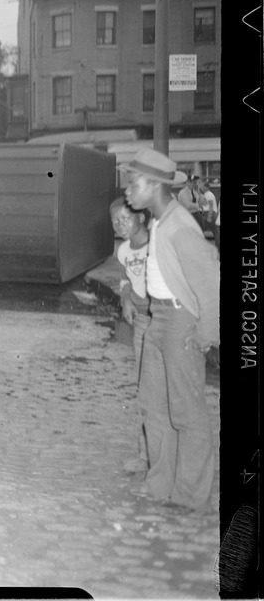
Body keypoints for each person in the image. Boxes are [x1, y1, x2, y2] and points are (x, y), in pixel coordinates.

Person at [121, 147, 220, 512]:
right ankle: (160, 485)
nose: (128, 191)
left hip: (180, 323)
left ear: (155, 185)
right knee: (154, 407)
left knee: (187, 413)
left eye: (133, 184)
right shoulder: (159, 222)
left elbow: (212, 283)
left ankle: (189, 496)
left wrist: (208, 333)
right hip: (157, 320)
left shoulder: (179, 225)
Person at [109, 196, 151, 473]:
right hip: (142, 326)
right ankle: (145, 456)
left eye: (125, 218)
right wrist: (125, 298)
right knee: (145, 390)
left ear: (142, 218)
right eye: (115, 221)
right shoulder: (123, 250)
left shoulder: (158, 246)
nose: (120, 225)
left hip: (165, 322)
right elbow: (125, 278)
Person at [196, 178, 218, 246]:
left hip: (209, 214)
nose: (200, 187)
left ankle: (217, 246)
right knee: (214, 231)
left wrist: (209, 216)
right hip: (207, 213)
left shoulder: (209, 194)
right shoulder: (206, 194)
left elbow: (210, 206)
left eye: (202, 186)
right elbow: (201, 204)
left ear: (206, 187)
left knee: (215, 231)